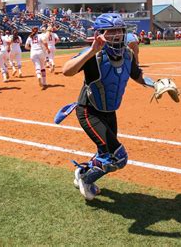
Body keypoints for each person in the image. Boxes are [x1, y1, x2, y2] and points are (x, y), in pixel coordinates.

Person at [58, 13, 154, 200]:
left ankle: (82, 171)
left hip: (110, 113)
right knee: (118, 157)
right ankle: (86, 179)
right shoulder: (94, 55)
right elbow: (66, 70)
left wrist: (155, 84)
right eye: (111, 31)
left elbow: (137, 75)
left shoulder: (127, 54)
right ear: (100, 33)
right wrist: (92, 50)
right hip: (89, 111)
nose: (117, 34)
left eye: (119, 30)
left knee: (105, 153)